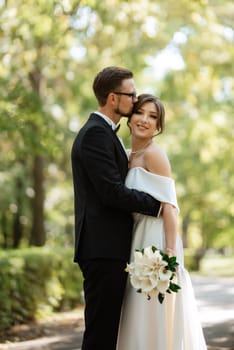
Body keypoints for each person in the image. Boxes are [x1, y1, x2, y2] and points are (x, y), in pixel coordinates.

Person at [71, 67, 161, 350]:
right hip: (102, 249)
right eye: (130, 94)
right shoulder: (95, 135)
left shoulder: (106, 133)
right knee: (101, 334)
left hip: (109, 248)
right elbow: (111, 193)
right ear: (113, 98)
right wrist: (158, 205)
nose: (135, 100)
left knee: (109, 332)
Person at [117, 94, 207, 350]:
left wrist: (168, 255)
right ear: (130, 117)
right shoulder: (126, 155)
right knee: (136, 310)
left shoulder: (155, 155)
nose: (144, 120)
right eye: (140, 113)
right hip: (136, 238)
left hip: (155, 241)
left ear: (158, 126)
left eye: (153, 116)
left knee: (153, 310)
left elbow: (170, 207)